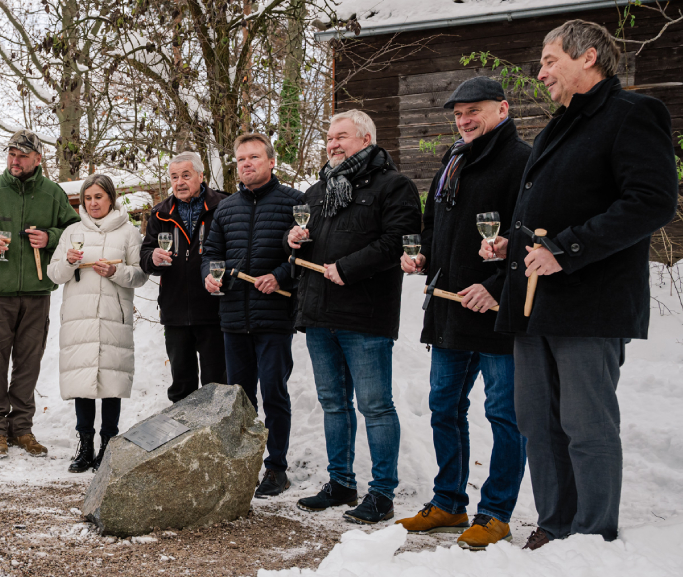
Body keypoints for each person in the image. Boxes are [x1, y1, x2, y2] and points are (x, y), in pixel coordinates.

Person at [481, 20, 678, 549]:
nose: (539, 71)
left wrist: (565, 250)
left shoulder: (633, 114)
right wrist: (512, 245)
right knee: (537, 421)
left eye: (549, 60)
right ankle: (554, 522)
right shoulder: (557, 125)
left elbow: (652, 201)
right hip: (533, 301)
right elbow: (549, 207)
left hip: (591, 302)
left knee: (586, 423)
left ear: (587, 56)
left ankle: (592, 533)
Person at [395, 77, 530, 549]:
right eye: (457, 113)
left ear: (503, 108)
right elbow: (434, 229)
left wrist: (496, 288)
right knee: (443, 408)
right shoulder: (451, 162)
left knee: (504, 414)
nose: (464, 119)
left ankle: (495, 512)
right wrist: (422, 258)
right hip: (450, 311)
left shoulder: (522, 161)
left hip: (496, 312)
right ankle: (450, 502)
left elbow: (530, 239)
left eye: (474, 109)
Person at [289, 109, 421, 524]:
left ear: (365, 139)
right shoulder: (316, 191)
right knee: (333, 404)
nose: (332, 144)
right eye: (329, 138)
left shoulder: (393, 185)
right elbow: (300, 247)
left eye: (341, 137)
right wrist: (292, 240)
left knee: (376, 406)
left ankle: (382, 493)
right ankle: (341, 482)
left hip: (365, 314)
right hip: (319, 313)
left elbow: (397, 240)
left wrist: (349, 267)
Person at [0, 129, 80, 459]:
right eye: (11, 154)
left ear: (38, 159)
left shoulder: (53, 194)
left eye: (23, 155)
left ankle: (22, 428)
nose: (15, 160)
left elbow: (74, 232)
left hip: (38, 295)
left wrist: (50, 237)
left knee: (28, 365)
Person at [201, 133, 302, 498]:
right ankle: (244, 465)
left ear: (271, 161)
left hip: (274, 317)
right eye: (241, 159)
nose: (246, 164)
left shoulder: (295, 202)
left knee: (274, 392)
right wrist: (210, 278)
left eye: (254, 157)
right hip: (232, 317)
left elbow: (305, 255)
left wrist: (280, 276)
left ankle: (276, 468)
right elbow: (211, 253)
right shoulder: (226, 209)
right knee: (241, 398)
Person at [48, 174, 148, 473]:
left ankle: (108, 444)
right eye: (88, 197)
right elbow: (55, 274)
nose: (93, 203)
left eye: (99, 197)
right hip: (80, 316)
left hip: (113, 316)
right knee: (82, 382)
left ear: (111, 199)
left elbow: (140, 275)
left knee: (111, 382)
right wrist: (68, 262)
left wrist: (115, 273)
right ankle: (85, 446)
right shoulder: (72, 232)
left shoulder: (128, 233)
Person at [139, 152, 228, 403]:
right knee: (182, 386)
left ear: (201, 176)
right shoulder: (160, 214)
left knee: (217, 384)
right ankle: (185, 439)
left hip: (214, 310)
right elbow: (145, 255)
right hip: (175, 311)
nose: (179, 182)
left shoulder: (222, 207)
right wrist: (152, 258)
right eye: (174, 177)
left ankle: (218, 439)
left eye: (186, 175)